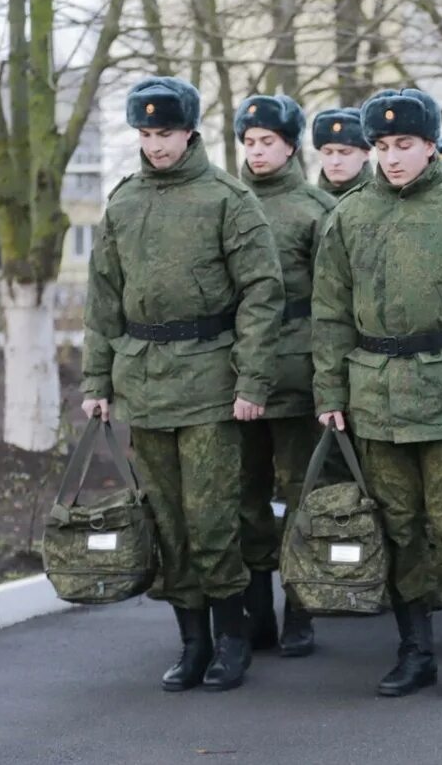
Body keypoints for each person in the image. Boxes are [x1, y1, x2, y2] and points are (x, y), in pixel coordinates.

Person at [311, 87, 442, 700]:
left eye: (404, 145)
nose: (392, 158)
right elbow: (328, 312)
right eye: (381, 147)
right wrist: (330, 389)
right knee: (398, 529)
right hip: (376, 397)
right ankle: (413, 650)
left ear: (431, 145)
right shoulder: (350, 215)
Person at [82, 76, 285, 692]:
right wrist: (97, 379)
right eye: (145, 134)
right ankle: (191, 641)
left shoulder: (227, 198)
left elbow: (261, 292)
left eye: (165, 133)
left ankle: (232, 638)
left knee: (213, 517)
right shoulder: (123, 203)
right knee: (168, 521)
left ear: (190, 132)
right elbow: (104, 298)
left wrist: (252, 379)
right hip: (146, 382)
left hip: (210, 382)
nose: (155, 145)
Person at [234, 93, 338, 658]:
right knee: (245, 497)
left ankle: (301, 610)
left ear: (291, 145)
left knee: (302, 495)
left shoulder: (316, 209)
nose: (256, 152)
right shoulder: (225, 203)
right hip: (235, 377)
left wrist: (327, 380)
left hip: (298, 375)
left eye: (267, 142)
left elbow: (331, 305)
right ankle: (256, 612)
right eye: (248, 143)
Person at [313, 107, 373, 197]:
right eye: (328, 152)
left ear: (366, 153)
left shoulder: (387, 199)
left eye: (345, 152)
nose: (335, 161)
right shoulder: (304, 201)